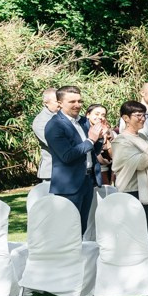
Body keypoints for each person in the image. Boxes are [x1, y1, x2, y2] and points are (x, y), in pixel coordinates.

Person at [44, 86, 105, 232]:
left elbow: (93, 151)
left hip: (87, 181)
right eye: (72, 101)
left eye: (79, 101)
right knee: (68, 228)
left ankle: (80, 254)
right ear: (59, 103)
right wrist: (91, 140)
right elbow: (67, 156)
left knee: (82, 227)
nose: (77, 105)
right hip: (69, 185)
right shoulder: (54, 125)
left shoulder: (84, 121)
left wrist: (100, 139)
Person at [111, 100, 148, 237]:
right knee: (136, 234)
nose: (143, 119)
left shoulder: (141, 136)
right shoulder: (121, 141)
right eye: (138, 115)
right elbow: (142, 163)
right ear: (126, 118)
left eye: (144, 115)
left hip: (146, 190)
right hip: (131, 191)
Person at [32, 88, 59, 183]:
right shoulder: (41, 121)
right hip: (53, 171)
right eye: (56, 101)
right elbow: (55, 143)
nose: (60, 103)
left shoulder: (66, 116)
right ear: (46, 103)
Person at [86, 104, 114, 186]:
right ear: (88, 115)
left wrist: (106, 138)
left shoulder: (108, 131)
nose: (100, 117)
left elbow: (113, 156)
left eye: (103, 115)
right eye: (97, 114)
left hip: (103, 172)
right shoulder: (83, 130)